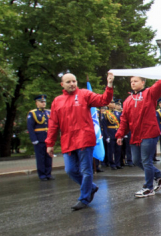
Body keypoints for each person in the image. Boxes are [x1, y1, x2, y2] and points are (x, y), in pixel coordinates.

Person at [46, 73, 114, 210]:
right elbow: (53, 123)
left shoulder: (84, 94)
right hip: (68, 141)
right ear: (62, 84)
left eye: (74, 81)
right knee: (70, 170)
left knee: (86, 170)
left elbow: (103, 101)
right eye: (68, 82)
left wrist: (110, 85)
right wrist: (50, 143)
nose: (72, 84)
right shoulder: (57, 101)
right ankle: (91, 187)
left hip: (84, 139)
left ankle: (84, 198)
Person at [115, 76, 161, 198]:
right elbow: (124, 120)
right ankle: (159, 175)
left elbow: (160, 84)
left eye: (136, 81)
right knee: (136, 160)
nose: (133, 83)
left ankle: (148, 188)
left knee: (146, 161)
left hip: (149, 133)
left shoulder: (149, 93)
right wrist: (120, 134)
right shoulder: (128, 100)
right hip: (135, 135)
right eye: (131, 82)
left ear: (143, 82)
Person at [27, 95, 53, 180]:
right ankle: (42, 175)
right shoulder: (33, 113)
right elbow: (30, 127)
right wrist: (34, 139)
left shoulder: (48, 112)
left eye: (44, 102)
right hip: (39, 138)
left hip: (48, 138)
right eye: (41, 102)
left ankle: (48, 174)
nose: (43, 103)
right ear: (36, 103)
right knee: (40, 158)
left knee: (48, 157)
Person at [102, 98, 122, 170]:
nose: (113, 104)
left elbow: (120, 123)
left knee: (118, 149)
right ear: (108, 104)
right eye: (111, 102)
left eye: (114, 103)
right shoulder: (105, 114)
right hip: (110, 133)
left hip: (117, 133)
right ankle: (112, 164)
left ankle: (117, 163)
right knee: (111, 150)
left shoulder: (117, 113)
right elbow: (104, 126)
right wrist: (106, 136)